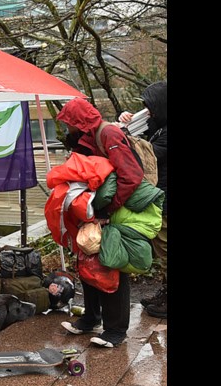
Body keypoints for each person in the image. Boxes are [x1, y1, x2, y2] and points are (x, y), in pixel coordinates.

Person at [57, 97, 144, 347]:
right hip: (96, 209)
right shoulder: (89, 137)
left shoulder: (108, 135)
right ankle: (91, 317)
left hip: (114, 210)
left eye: (69, 124)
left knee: (111, 262)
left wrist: (109, 206)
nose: (67, 129)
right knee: (87, 256)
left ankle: (116, 329)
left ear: (80, 123)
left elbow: (132, 176)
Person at [119, 82, 167, 317]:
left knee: (166, 249)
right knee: (162, 249)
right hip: (160, 198)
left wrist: (125, 136)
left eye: (151, 107)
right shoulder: (159, 126)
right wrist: (129, 122)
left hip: (165, 200)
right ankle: (165, 292)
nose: (149, 113)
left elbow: (146, 156)